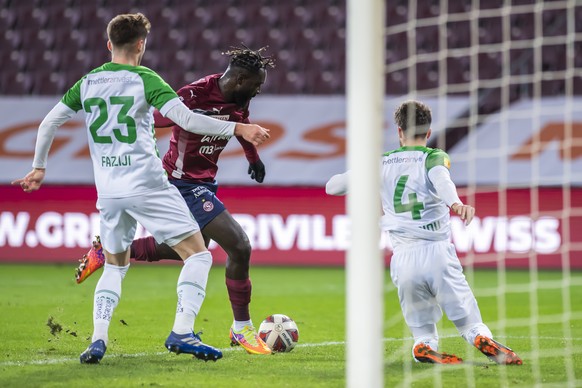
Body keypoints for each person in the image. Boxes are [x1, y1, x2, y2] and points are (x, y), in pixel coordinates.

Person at [12, 13, 270, 364]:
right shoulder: (147, 79)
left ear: (108, 44)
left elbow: (49, 122)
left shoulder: (87, 82)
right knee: (201, 254)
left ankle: (97, 340)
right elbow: (186, 119)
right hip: (153, 183)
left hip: (108, 191)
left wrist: (39, 167)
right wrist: (239, 131)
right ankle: (187, 330)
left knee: (122, 265)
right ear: (140, 45)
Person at [74, 46, 275, 355]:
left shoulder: (238, 101)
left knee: (186, 250)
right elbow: (152, 119)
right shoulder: (193, 95)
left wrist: (253, 159)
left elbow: (241, 128)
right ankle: (242, 328)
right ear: (239, 79)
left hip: (205, 182)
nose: (258, 91)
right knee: (239, 245)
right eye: (256, 84)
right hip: (180, 183)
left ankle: (111, 250)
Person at [325, 100, 522, 365]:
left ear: (398, 131)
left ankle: (423, 346)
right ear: (428, 132)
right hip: (437, 253)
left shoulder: (381, 162)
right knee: (469, 323)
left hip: (403, 259)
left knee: (422, 329)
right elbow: (442, 178)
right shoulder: (433, 157)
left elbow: (332, 187)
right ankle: (478, 336)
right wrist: (456, 204)